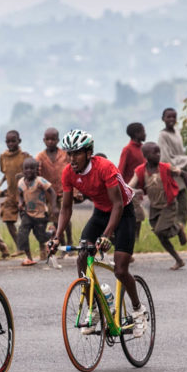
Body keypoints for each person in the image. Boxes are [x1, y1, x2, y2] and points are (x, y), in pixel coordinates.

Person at [47, 129, 145, 336]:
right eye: (69, 154)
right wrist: (56, 237)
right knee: (82, 256)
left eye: (77, 153)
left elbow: (118, 205)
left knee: (120, 270)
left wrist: (106, 236)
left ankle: (138, 310)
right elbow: (66, 208)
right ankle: (94, 307)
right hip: (101, 212)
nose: (72, 159)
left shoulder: (105, 167)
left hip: (124, 212)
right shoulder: (69, 173)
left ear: (89, 153)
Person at [131, 142, 187, 270]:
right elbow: (130, 186)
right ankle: (178, 260)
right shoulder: (140, 170)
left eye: (159, 152)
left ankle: (178, 229)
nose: (158, 155)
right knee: (160, 235)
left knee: (159, 231)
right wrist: (135, 191)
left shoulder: (166, 167)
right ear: (146, 155)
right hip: (154, 207)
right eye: (155, 152)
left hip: (169, 205)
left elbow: (184, 174)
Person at [15, 157, 56, 265]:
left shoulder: (40, 181)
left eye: (32, 168)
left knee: (41, 237)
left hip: (40, 214)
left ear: (37, 169)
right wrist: (20, 202)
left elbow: (52, 192)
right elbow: (20, 195)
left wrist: (54, 206)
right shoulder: (20, 182)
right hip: (27, 213)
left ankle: (52, 232)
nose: (29, 171)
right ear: (23, 170)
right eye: (26, 168)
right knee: (22, 233)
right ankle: (29, 257)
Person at [158, 108, 187, 224]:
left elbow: (179, 154)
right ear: (163, 119)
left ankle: (182, 234)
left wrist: (186, 164)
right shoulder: (163, 136)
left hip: (183, 176)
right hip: (172, 176)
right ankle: (173, 232)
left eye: (174, 117)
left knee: (183, 207)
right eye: (168, 117)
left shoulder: (177, 133)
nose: (171, 119)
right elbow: (165, 159)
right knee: (173, 209)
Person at [36, 127, 71, 248]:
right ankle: (62, 243)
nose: (50, 141)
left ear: (58, 140)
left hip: (64, 190)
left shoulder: (65, 155)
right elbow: (37, 174)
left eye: (53, 139)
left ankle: (70, 242)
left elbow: (72, 171)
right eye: (48, 139)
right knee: (55, 219)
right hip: (49, 194)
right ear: (44, 140)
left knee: (66, 217)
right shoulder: (40, 157)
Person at [0, 130, 32, 247]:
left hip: (25, 194)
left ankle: (42, 248)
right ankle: (20, 246)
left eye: (13, 141)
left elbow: (32, 173)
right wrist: (0, 184)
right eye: (8, 141)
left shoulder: (25, 156)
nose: (11, 144)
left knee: (29, 222)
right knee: (8, 220)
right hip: (11, 194)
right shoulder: (3, 157)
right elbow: (6, 172)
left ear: (19, 141)